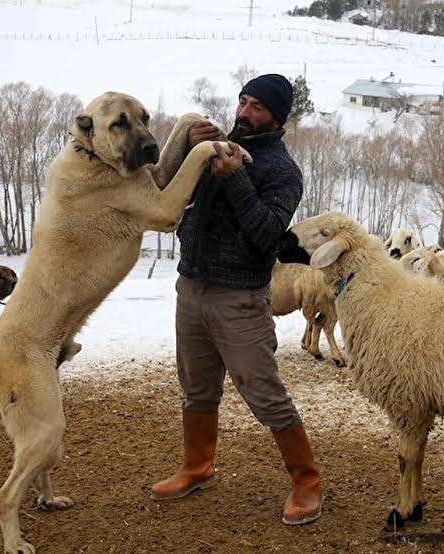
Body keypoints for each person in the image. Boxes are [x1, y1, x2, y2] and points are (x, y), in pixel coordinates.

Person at [151, 74, 322, 525]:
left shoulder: (283, 172)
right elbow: (171, 195)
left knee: (264, 394)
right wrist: (189, 149)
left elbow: (267, 235)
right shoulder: (215, 150)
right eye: (243, 101)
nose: (244, 112)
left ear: (277, 118)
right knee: (196, 387)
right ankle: (197, 467)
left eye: (257, 107)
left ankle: (306, 482)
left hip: (240, 299)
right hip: (191, 288)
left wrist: (236, 178)